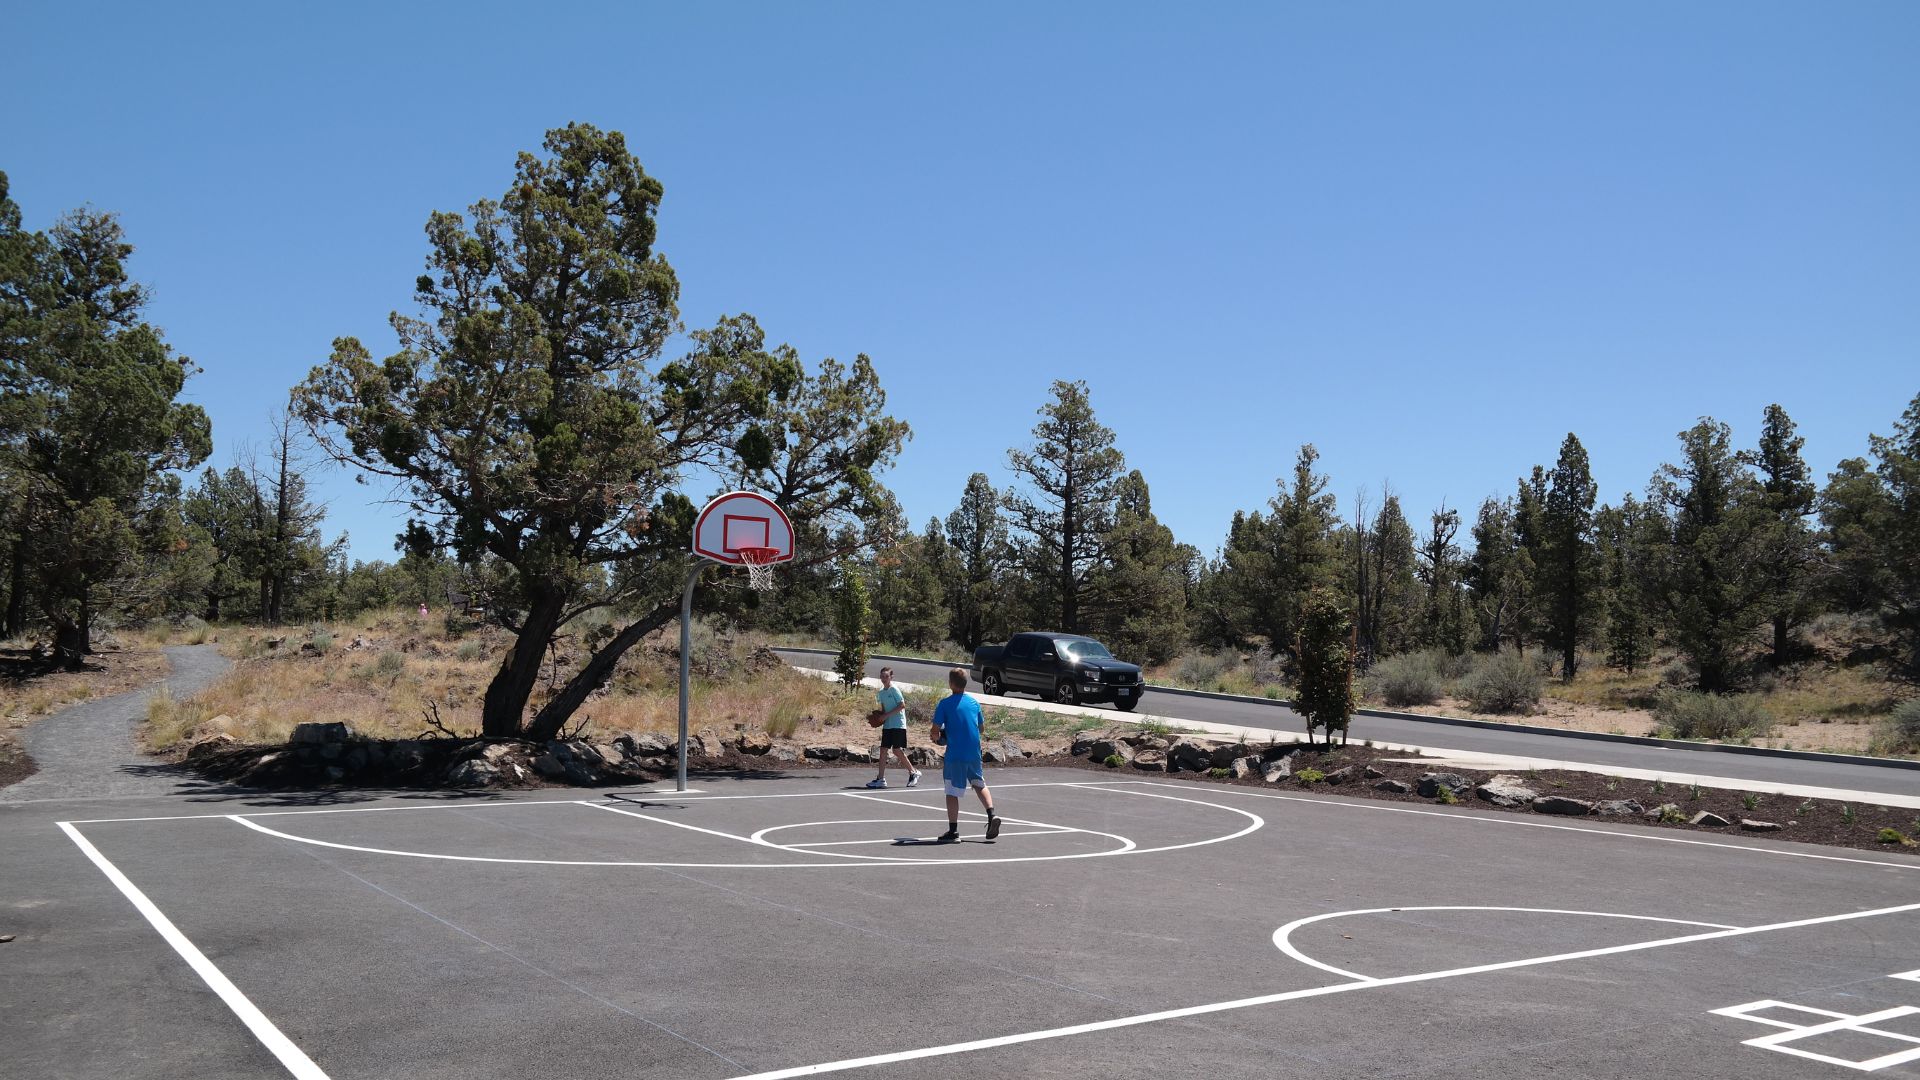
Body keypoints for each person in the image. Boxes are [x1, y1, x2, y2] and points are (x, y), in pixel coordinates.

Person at [930, 666, 999, 843]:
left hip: (956, 753)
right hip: (974, 752)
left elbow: (935, 731)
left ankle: (953, 831)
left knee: (952, 791)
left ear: (951, 683)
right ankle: (991, 815)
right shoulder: (974, 703)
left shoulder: (945, 704)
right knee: (979, 783)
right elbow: (981, 728)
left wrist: (939, 739)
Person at [866, 667, 921, 789]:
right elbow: (885, 709)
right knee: (883, 750)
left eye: (886, 676)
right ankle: (880, 779)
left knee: (896, 750)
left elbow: (902, 705)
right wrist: (880, 717)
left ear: (891, 677)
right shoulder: (881, 692)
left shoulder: (894, 689)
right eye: (882, 676)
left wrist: (886, 715)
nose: (884, 679)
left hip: (898, 724)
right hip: (888, 725)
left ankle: (913, 772)